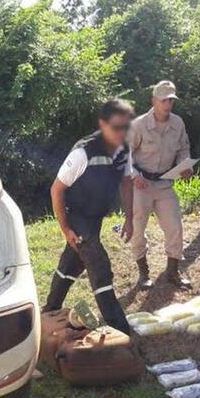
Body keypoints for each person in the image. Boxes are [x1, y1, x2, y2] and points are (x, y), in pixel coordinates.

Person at [42, 99, 136, 335]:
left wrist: (130, 218)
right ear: (103, 125)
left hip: (95, 218)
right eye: (116, 127)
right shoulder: (83, 152)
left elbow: (126, 182)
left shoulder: (124, 150)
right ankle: (120, 329)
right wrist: (66, 229)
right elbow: (57, 189)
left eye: (126, 127)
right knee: (99, 266)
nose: (121, 133)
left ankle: (50, 309)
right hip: (78, 216)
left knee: (71, 264)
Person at [128, 80, 192, 289]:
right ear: (154, 100)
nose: (167, 104)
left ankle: (172, 272)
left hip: (164, 182)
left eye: (171, 100)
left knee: (175, 226)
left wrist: (185, 165)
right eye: (163, 100)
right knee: (138, 227)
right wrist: (133, 174)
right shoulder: (138, 125)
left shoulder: (178, 123)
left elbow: (183, 148)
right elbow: (124, 154)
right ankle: (143, 272)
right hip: (141, 184)